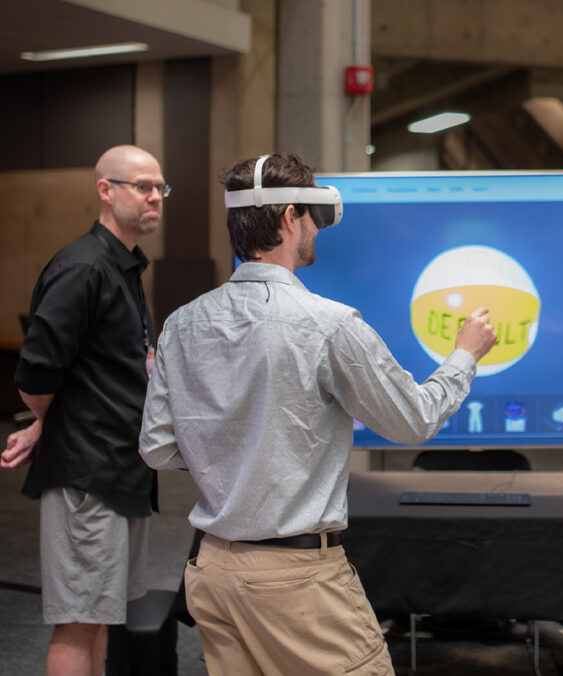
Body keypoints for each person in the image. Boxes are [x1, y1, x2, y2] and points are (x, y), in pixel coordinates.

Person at [138, 152, 497, 675]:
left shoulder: (182, 324)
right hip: (295, 580)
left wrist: (236, 454)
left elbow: (158, 448)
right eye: (313, 219)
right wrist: (465, 355)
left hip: (212, 571)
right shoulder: (328, 324)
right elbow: (413, 420)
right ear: (289, 218)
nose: (316, 232)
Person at [1, 145, 165, 675]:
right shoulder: (83, 266)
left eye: (160, 188)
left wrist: (46, 423)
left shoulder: (123, 266)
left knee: (99, 617)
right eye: (142, 186)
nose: (155, 197)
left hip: (120, 469)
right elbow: (36, 370)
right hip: (87, 474)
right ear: (105, 190)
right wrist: (47, 421)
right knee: (78, 621)